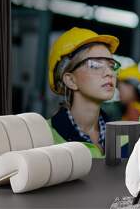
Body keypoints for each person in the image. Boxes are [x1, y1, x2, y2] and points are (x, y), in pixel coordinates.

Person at [48, 27, 121, 158]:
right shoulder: (43, 138)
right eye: (95, 65)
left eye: (111, 66)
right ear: (71, 80)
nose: (110, 73)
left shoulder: (123, 139)